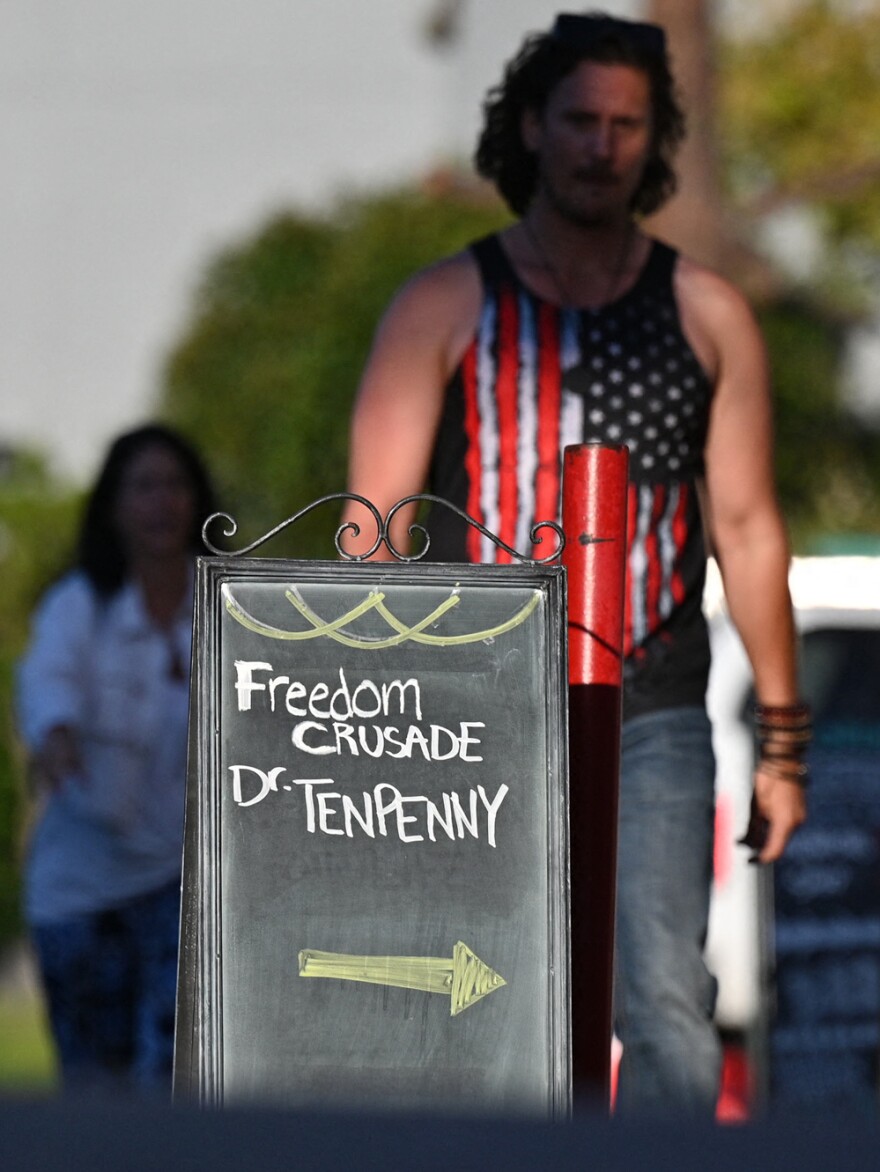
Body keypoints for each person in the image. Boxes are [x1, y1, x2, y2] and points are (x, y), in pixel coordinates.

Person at [344, 12, 810, 1113]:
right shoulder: (444, 302)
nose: (602, 146)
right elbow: (374, 524)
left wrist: (783, 742)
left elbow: (746, 529)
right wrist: (379, 721)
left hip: (650, 700)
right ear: (531, 129)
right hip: (476, 700)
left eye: (626, 125)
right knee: (474, 1000)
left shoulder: (706, 312)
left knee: (664, 1007)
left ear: (657, 142)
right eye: (580, 121)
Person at [16, 423, 217, 1093]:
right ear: (114, 505)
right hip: (82, 891)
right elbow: (47, 681)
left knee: (168, 1078)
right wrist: (58, 735)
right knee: (93, 1089)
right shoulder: (79, 606)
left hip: (179, 885)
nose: (162, 503)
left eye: (175, 485)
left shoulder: (228, 605)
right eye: (144, 487)